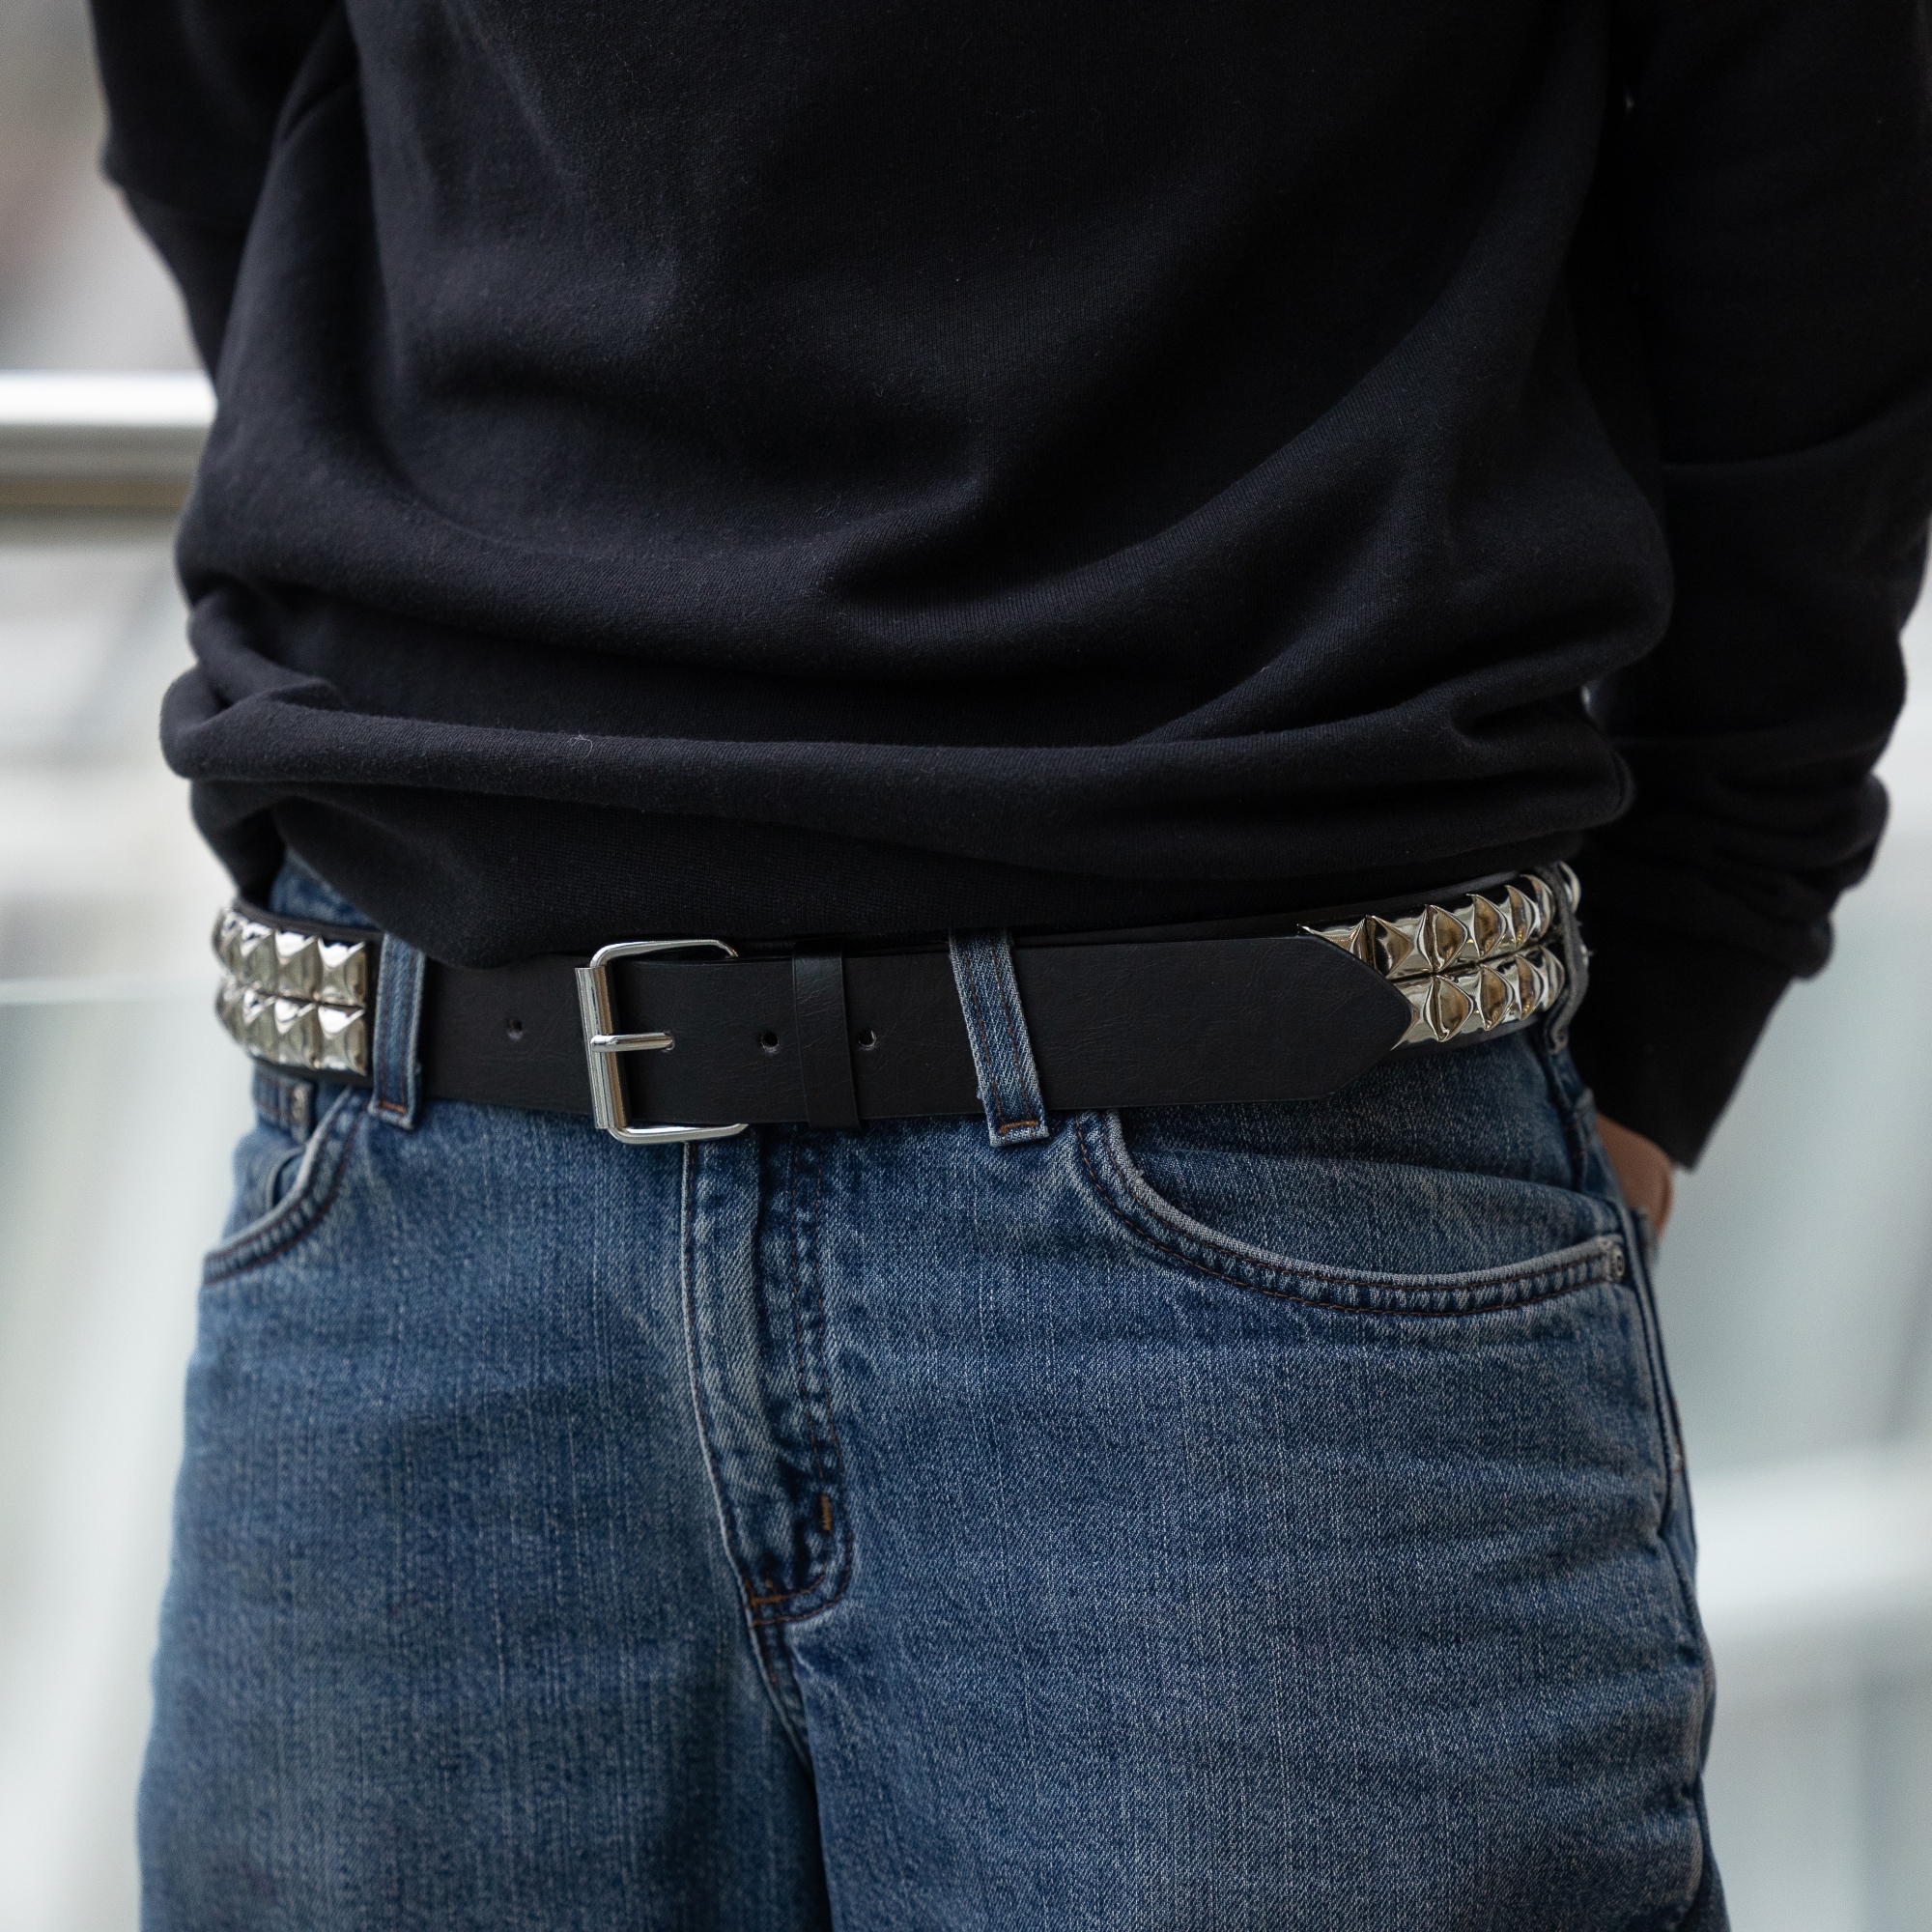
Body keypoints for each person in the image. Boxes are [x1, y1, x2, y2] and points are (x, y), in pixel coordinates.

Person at [90, 0, 1930, 1924]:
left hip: (1264, 1183)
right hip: (426, 1197)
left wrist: (1676, 991)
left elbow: (1804, 219)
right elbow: (220, 89)